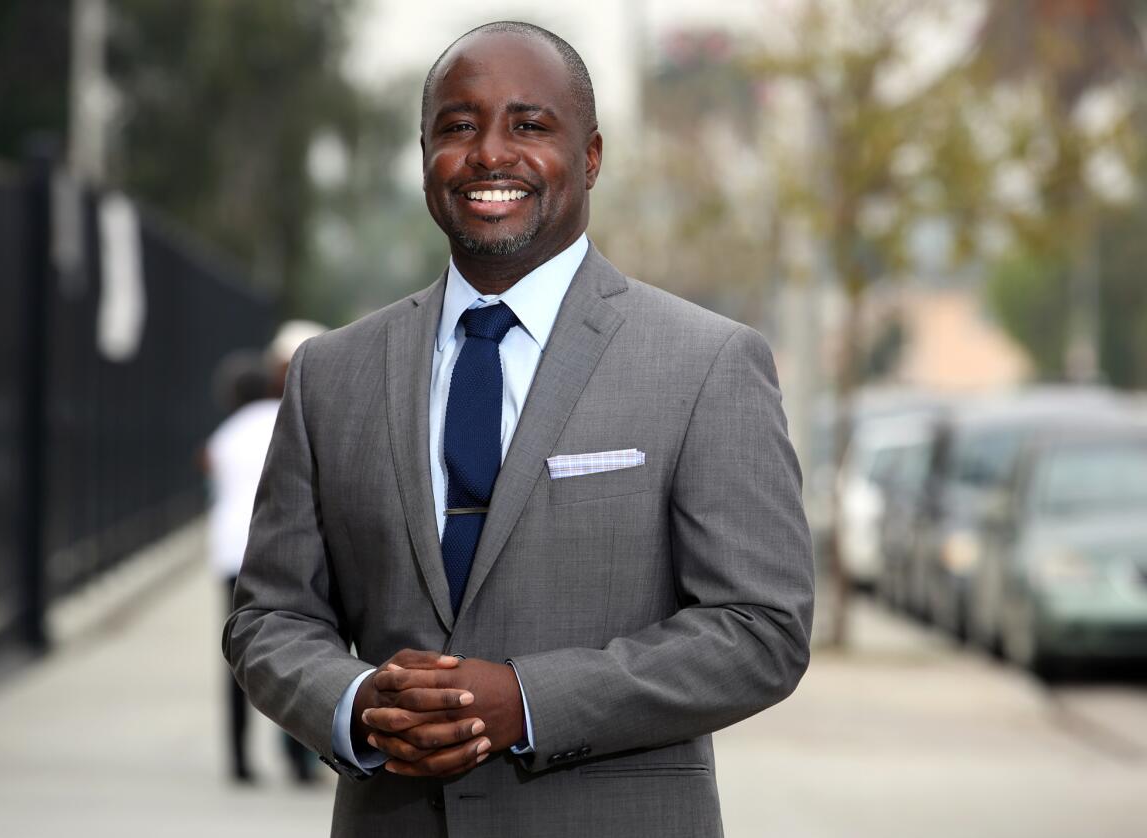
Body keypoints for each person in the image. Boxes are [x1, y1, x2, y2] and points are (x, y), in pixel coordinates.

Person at [224, 20, 813, 836]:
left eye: (530, 126)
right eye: (458, 127)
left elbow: (762, 631)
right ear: (425, 153)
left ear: (592, 156)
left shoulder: (706, 363)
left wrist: (526, 702)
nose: (490, 155)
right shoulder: (333, 373)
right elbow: (270, 617)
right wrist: (357, 704)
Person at [205, 323, 325, 783]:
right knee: (303, 651)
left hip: (231, 556)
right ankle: (300, 762)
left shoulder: (228, 432)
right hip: (287, 551)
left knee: (239, 658)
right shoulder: (298, 420)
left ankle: (238, 760)